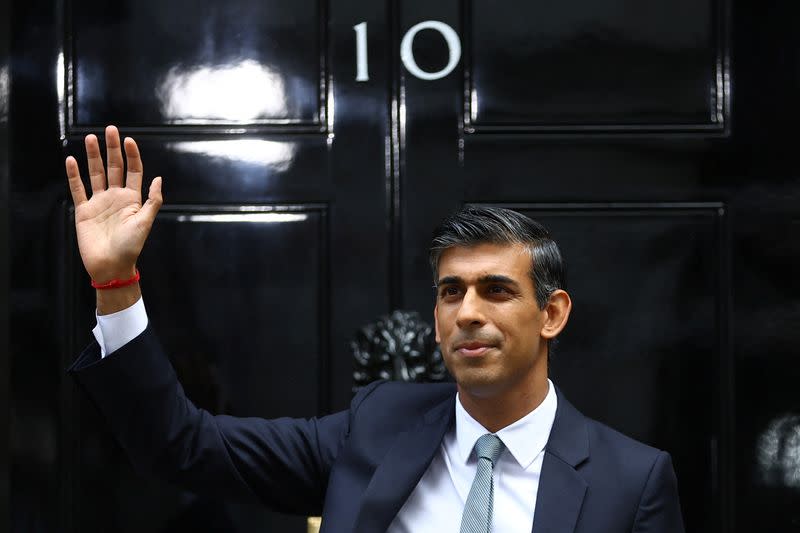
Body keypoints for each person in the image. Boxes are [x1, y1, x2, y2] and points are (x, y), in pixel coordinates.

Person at [65, 126, 685, 533]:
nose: (468, 312)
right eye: (451, 292)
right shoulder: (377, 426)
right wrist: (116, 284)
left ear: (552, 314)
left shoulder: (630, 482)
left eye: (496, 290)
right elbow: (182, 445)